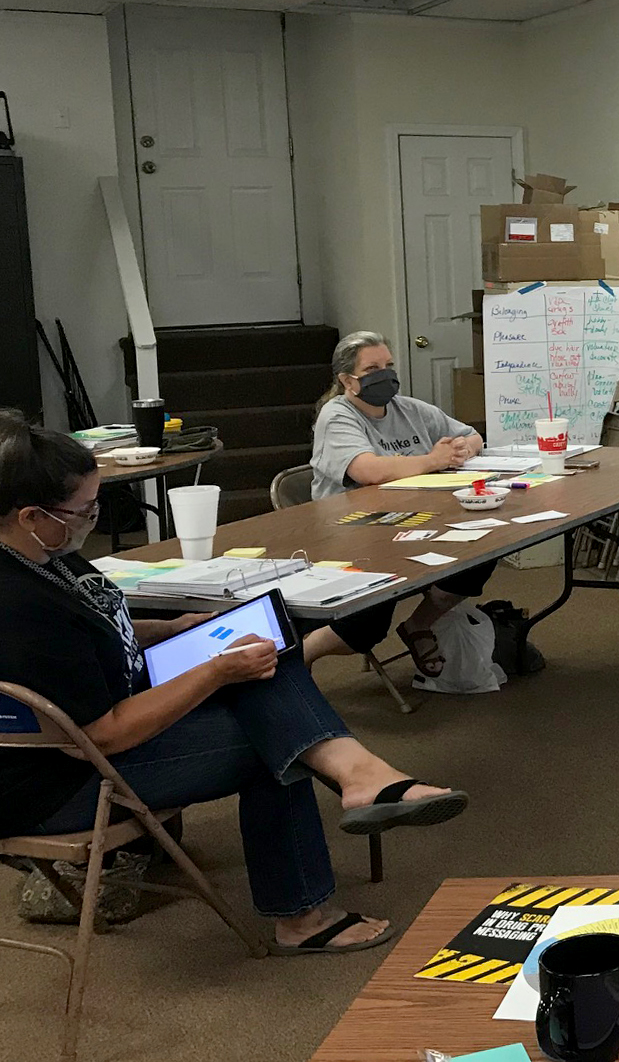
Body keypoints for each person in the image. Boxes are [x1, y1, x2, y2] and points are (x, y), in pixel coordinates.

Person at [0, 410, 468, 953]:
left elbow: (98, 622)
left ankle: (360, 777)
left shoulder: (44, 555)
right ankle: (305, 913)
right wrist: (214, 670)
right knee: (274, 741)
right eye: (84, 509)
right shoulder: (19, 607)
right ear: (31, 515)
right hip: (55, 780)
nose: (93, 518)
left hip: (102, 708)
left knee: (268, 654)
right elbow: (102, 735)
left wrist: (169, 628)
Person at [302, 331, 495, 677]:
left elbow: (471, 434)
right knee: (370, 617)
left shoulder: (409, 409)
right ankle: (301, 655)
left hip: (416, 518)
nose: (385, 374)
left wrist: (466, 447)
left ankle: (419, 625)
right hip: (352, 530)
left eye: (389, 365)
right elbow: (366, 470)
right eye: (373, 368)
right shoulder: (337, 415)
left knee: (483, 545)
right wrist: (434, 459)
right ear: (348, 380)